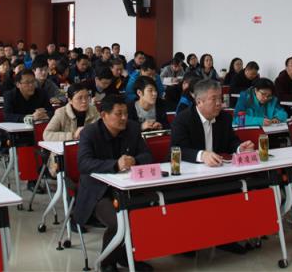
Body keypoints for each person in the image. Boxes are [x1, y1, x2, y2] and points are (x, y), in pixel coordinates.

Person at [170, 79, 255, 255]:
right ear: (199, 101)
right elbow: (178, 149)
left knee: (234, 190)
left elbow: (231, 141)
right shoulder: (183, 119)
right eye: (213, 99)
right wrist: (202, 155)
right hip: (188, 175)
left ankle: (226, 238)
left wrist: (240, 148)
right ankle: (186, 242)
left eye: (220, 98)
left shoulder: (224, 118)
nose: (219, 103)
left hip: (216, 171)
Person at [73, 95, 154, 272]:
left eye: (125, 113)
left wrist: (135, 160)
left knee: (146, 215)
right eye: (118, 114)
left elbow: (147, 155)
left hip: (127, 188)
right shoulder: (90, 133)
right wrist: (115, 165)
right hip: (98, 192)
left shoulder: (132, 128)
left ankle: (127, 256)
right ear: (104, 115)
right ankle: (107, 263)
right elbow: (83, 163)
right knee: (119, 222)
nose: (124, 118)